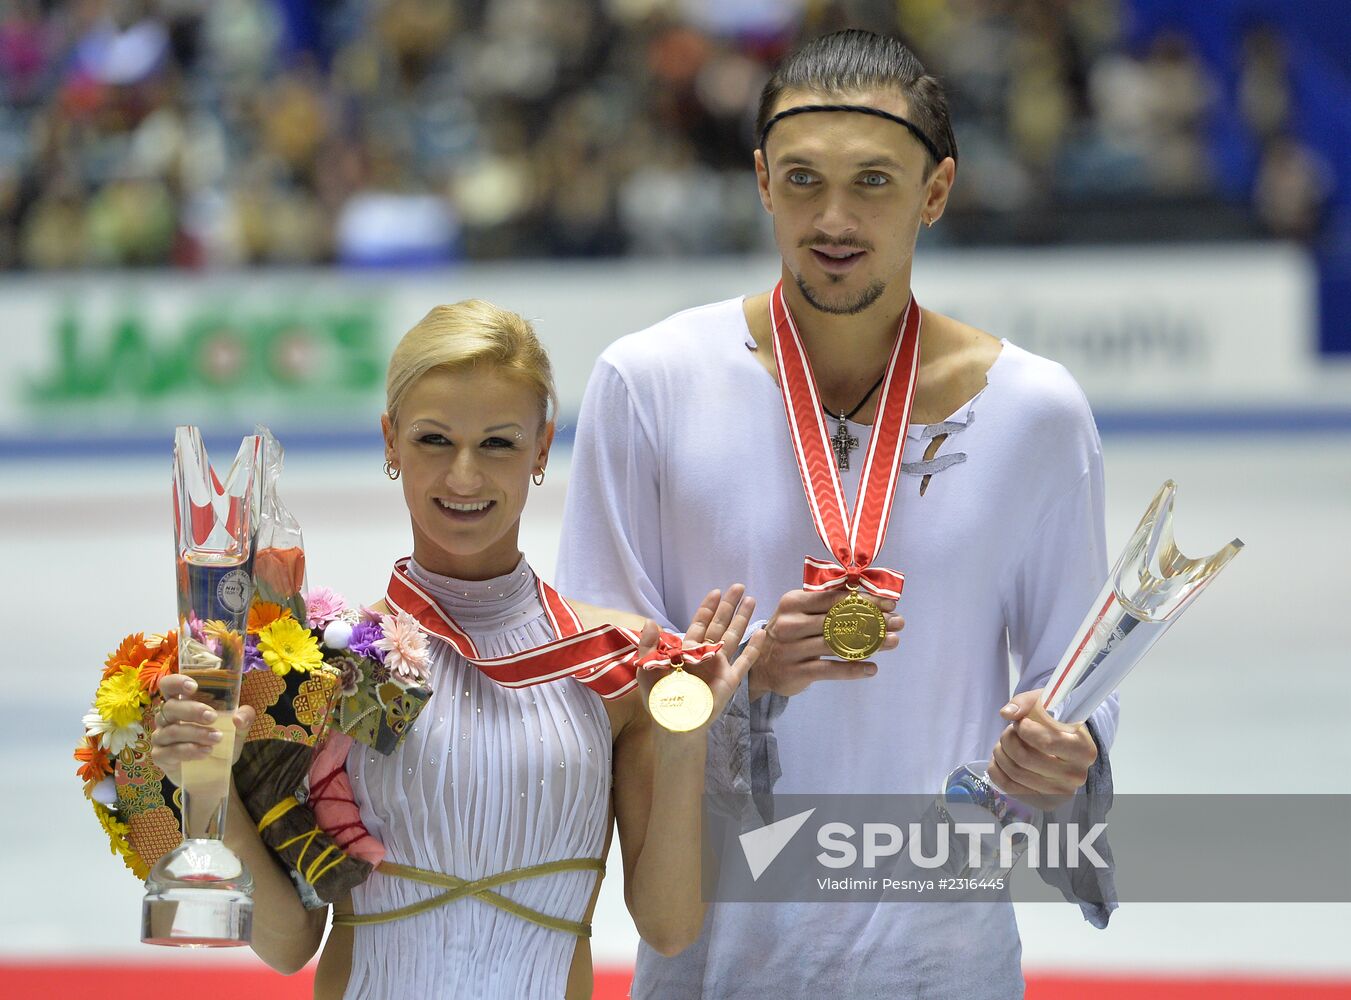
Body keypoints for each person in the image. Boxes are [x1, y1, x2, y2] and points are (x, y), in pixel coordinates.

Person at [557, 29, 1118, 999]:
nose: (833, 217)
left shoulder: (1035, 412)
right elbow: (589, 683)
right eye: (804, 179)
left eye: (873, 182)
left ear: (935, 193)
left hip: (944, 962)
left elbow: (1077, 684)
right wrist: (732, 681)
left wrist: (1066, 756)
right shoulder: (649, 384)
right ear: (763, 181)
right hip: (719, 960)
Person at [152, 299, 764, 1000]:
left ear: (541, 447)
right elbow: (290, 945)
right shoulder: (325, 666)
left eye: (498, 443)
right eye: (434, 440)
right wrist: (207, 786)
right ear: (390, 443)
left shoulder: (614, 661)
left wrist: (685, 737)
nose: (464, 477)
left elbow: (668, 927)